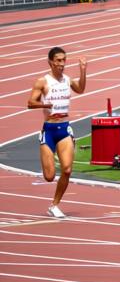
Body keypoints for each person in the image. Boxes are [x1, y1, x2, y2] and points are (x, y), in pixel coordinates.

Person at [27, 47, 87, 218]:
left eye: (64, 60)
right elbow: (30, 103)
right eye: (58, 60)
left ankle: (54, 205)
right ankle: (46, 156)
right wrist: (46, 105)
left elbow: (81, 89)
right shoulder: (42, 82)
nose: (62, 64)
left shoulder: (67, 80)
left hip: (64, 129)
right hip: (49, 130)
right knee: (49, 176)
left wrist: (83, 70)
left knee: (67, 170)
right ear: (51, 62)